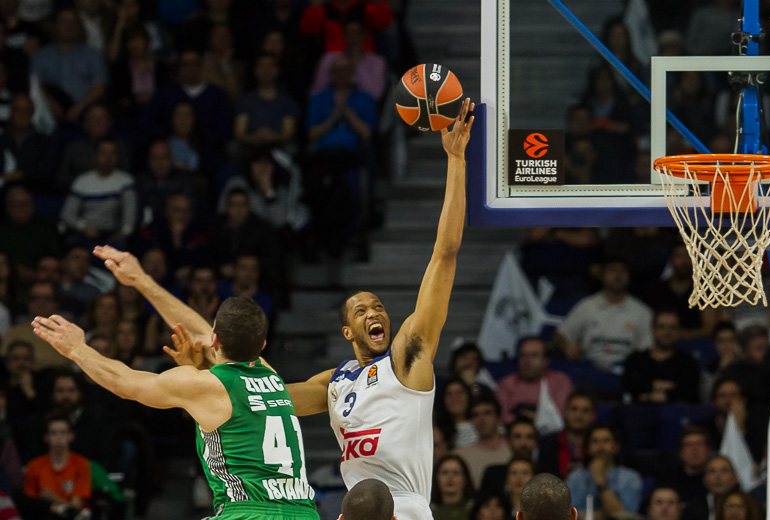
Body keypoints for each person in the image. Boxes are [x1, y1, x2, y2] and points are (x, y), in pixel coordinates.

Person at [94, 98, 475, 520]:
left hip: (404, 510)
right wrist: (146, 283)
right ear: (347, 332)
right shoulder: (334, 384)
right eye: (360, 310)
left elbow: (445, 254)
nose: (373, 314)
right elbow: (236, 374)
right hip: (355, 511)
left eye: (378, 307)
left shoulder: (407, 359)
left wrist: (455, 161)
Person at [31, 298, 319, 520]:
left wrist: (76, 349)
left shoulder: (208, 385)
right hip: (305, 512)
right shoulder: (274, 381)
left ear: (215, 340)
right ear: (264, 345)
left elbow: (123, 382)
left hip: (245, 510)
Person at [554, 258, 653, 372]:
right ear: (602, 275)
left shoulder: (642, 312)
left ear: (629, 277)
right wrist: (566, 345)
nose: (617, 275)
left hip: (626, 371)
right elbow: (559, 335)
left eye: (622, 271)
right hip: (588, 368)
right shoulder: (586, 306)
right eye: (612, 270)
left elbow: (648, 349)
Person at [622, 309, 701, 403]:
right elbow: (629, 385)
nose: (667, 332)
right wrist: (659, 386)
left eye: (673, 327)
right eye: (662, 327)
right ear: (653, 329)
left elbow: (689, 392)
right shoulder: (636, 360)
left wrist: (653, 392)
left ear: (679, 330)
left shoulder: (688, 362)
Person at [23, 413, 91, 520]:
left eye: (63, 433)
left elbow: (76, 506)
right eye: (53, 433)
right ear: (46, 437)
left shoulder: (81, 464)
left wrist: (53, 498)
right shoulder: (34, 465)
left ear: (71, 436)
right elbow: (31, 505)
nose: (58, 438)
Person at [566, 425, 642, 519]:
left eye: (606, 441)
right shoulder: (575, 477)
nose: (600, 447)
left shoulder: (631, 478)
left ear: (616, 447)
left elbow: (625, 516)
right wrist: (606, 514)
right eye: (595, 441)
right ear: (587, 449)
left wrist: (600, 480)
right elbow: (572, 515)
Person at [496, 337, 572, 424]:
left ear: (545, 361)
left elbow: (561, 415)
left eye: (534, 355)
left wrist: (535, 418)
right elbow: (500, 416)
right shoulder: (506, 383)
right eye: (523, 355)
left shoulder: (560, 381)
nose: (527, 361)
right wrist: (523, 420)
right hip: (514, 430)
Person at [454, 395, 512, 488]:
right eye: (475, 415)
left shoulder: (514, 451)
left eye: (487, 413)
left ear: (499, 417)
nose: (481, 419)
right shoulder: (461, 456)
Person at [537, 389, 598, 478]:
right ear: (565, 412)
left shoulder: (600, 444)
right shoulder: (548, 443)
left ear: (593, 416)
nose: (579, 415)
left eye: (585, 410)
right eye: (574, 409)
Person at [430, 454, 475, 520]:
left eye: (455, 473)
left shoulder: (477, 511)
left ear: (465, 478)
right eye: (445, 472)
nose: (450, 477)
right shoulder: (427, 511)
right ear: (436, 478)